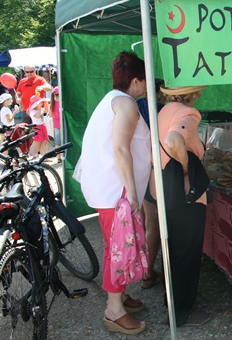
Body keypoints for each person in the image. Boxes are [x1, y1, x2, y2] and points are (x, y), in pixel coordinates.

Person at [80, 51, 151, 335]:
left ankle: (119, 295)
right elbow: (121, 148)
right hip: (115, 190)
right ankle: (114, 310)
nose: (146, 85)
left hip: (108, 187)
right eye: (144, 80)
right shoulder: (127, 104)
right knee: (117, 247)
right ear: (136, 80)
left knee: (117, 245)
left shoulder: (113, 100)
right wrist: (132, 193)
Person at [151, 84, 211, 327]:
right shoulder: (188, 114)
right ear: (194, 93)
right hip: (186, 193)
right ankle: (182, 313)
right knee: (186, 253)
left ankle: (174, 303)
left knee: (174, 249)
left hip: (166, 187)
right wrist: (187, 167)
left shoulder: (165, 110)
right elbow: (173, 139)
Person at [137, 79, 165, 290]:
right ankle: (147, 273)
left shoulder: (134, 106)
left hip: (138, 169)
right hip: (154, 170)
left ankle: (144, 268)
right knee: (153, 225)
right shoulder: (162, 110)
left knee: (145, 222)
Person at [27, 95, 50, 160]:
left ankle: (45, 156)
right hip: (36, 127)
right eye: (39, 103)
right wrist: (39, 108)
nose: (41, 104)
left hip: (42, 125)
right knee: (38, 142)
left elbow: (46, 111)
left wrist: (46, 103)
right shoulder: (32, 111)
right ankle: (35, 155)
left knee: (44, 141)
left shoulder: (40, 109)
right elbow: (37, 116)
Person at [49, 87, 62, 162]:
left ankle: (58, 157)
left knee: (57, 141)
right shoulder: (62, 103)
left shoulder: (52, 104)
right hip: (62, 123)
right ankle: (63, 156)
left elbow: (50, 115)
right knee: (64, 140)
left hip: (56, 124)